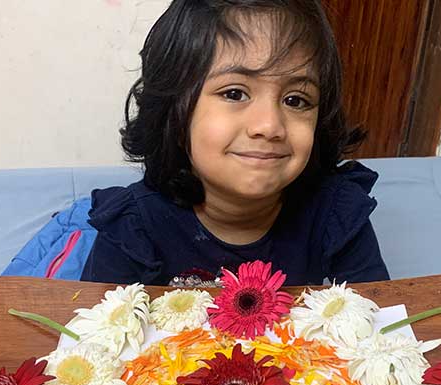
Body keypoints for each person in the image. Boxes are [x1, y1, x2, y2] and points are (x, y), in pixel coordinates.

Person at [81, 0, 389, 287]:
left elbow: (378, 328)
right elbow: (96, 338)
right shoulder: (133, 228)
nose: (269, 126)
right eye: (234, 93)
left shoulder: (337, 214)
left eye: (295, 100)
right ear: (174, 114)